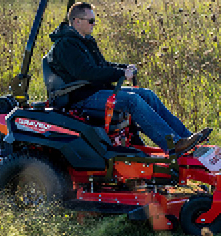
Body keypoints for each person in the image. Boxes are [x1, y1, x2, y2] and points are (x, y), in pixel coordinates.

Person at [46, 2, 209, 154]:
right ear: (76, 21)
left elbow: (102, 65)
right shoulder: (66, 45)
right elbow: (86, 73)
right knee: (132, 100)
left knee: (147, 94)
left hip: (96, 91)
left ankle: (187, 140)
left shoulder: (85, 41)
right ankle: (172, 145)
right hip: (81, 98)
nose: (94, 24)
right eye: (91, 21)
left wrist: (123, 68)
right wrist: (120, 74)